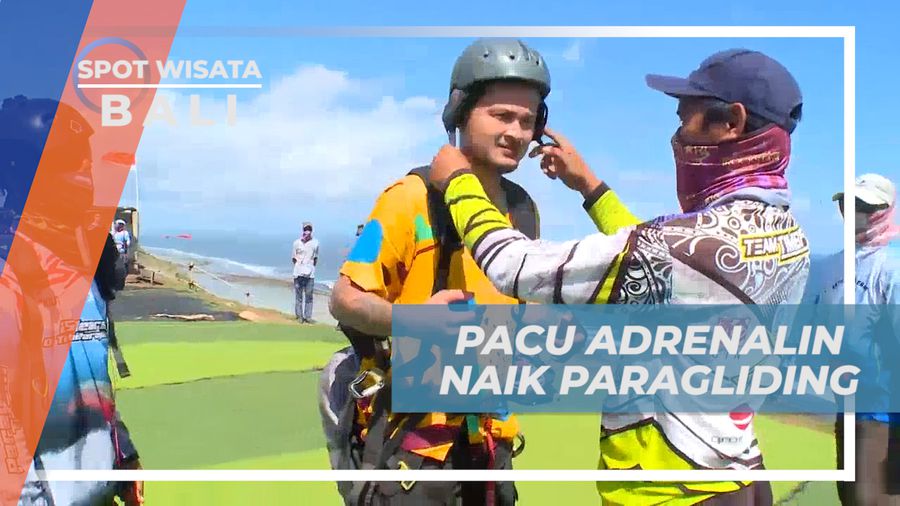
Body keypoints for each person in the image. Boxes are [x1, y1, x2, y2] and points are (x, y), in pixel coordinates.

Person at [428, 48, 810, 505]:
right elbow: (665, 264)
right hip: (740, 475)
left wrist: (459, 182)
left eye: (684, 120)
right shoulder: (788, 237)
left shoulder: (682, 248)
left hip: (669, 492)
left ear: (731, 122)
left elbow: (514, 267)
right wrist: (589, 187)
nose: (676, 136)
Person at [327, 38, 549, 505]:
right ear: (460, 114)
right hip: (415, 449)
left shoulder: (523, 212)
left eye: (527, 121)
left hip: (490, 444)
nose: (516, 132)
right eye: (501, 115)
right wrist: (413, 322)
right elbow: (344, 298)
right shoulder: (410, 198)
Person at [0, 95, 143, 505]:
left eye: (87, 163)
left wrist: (124, 455)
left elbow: (95, 383)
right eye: (71, 164)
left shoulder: (84, 267)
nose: (88, 178)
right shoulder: (10, 276)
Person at [806, 173, 900, 505]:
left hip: (883, 409)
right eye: (848, 204)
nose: (853, 212)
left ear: (883, 211)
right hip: (846, 404)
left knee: (869, 498)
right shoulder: (831, 266)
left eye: (863, 205)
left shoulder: (891, 266)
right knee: (849, 494)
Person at [292, 222, 319, 324]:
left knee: (309, 296)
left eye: (309, 229)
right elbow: (293, 258)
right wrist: (300, 267)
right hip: (298, 273)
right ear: (303, 230)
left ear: (311, 231)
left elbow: (315, 258)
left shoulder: (315, 243)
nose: (307, 231)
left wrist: (310, 267)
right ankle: (299, 316)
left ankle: (308, 317)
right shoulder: (296, 243)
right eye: (305, 229)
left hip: (310, 274)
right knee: (299, 296)